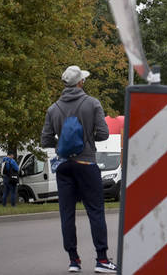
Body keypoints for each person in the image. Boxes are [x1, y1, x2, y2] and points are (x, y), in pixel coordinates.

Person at [41, 65, 117, 273]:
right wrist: (87, 137)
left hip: (64, 166)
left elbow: (45, 140)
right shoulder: (92, 103)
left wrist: (62, 141)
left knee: (67, 214)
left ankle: (73, 260)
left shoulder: (53, 109)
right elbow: (103, 134)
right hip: (86, 164)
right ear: (80, 82)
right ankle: (101, 259)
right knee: (95, 212)